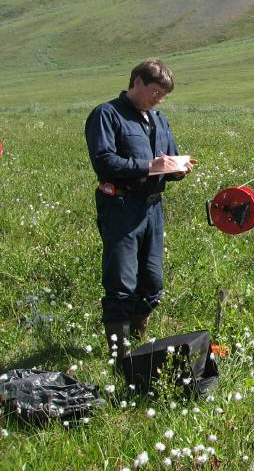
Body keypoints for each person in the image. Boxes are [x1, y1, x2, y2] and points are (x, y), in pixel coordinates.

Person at [84, 59, 195, 356]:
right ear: (136, 82)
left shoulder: (159, 119)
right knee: (121, 282)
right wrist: (148, 166)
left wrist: (177, 168)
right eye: (155, 91)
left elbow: (167, 160)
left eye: (164, 94)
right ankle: (119, 357)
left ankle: (138, 345)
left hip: (153, 209)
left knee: (152, 283)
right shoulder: (107, 115)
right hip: (121, 206)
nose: (159, 98)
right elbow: (104, 161)